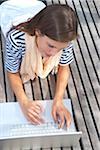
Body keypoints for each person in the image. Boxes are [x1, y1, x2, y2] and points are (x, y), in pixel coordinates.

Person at [0, 0, 78, 128]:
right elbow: (12, 72)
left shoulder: (65, 39)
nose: (54, 53)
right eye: (51, 46)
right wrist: (24, 103)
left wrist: (58, 100)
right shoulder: (16, 39)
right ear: (37, 32)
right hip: (8, 4)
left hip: (37, 3)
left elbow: (64, 66)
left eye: (59, 49)